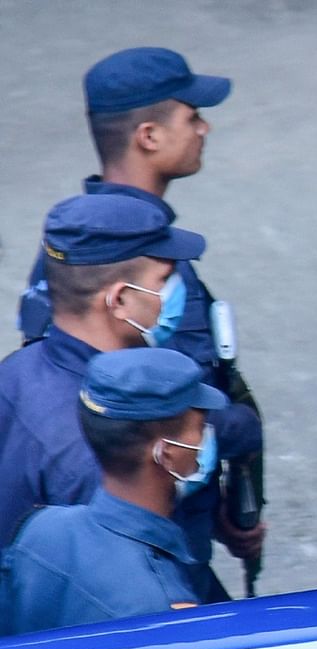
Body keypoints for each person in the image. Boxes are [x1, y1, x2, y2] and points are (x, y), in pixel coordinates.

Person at [14, 47, 265, 600]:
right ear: (148, 136)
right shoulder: (143, 276)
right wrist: (237, 439)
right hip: (157, 538)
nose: (205, 127)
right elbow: (164, 432)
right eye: (191, 116)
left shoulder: (73, 249)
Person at [1, 348, 227, 635]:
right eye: (199, 428)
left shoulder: (41, 529)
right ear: (165, 454)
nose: (206, 436)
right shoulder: (161, 610)